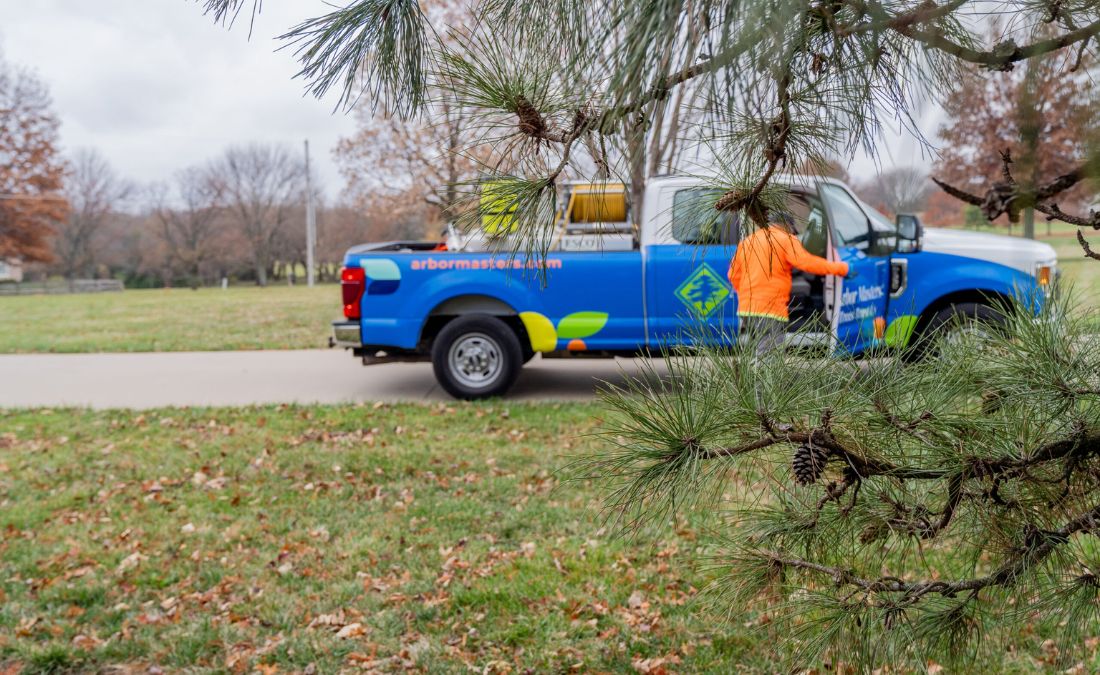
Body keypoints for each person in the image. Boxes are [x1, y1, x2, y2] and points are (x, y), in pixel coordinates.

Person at [728, 211, 850, 354]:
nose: (793, 233)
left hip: (747, 308)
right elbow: (806, 263)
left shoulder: (748, 241)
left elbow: (732, 275)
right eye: (793, 231)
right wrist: (841, 268)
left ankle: (754, 375)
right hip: (770, 307)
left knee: (760, 345)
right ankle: (761, 376)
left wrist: (748, 295)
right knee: (769, 352)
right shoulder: (786, 239)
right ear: (787, 226)